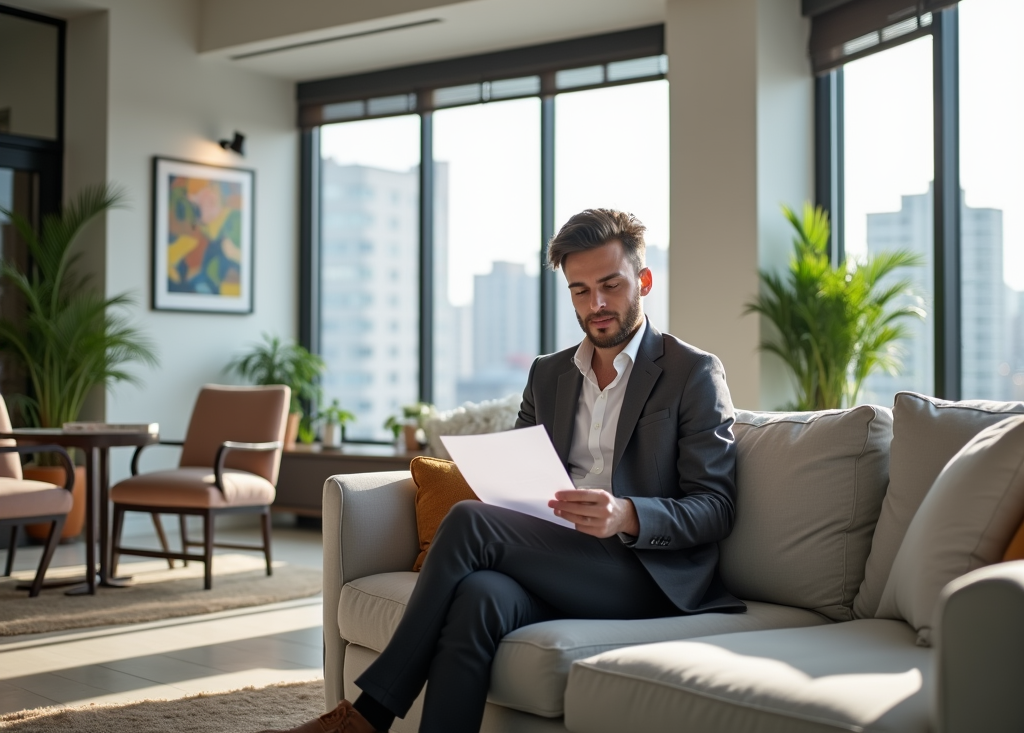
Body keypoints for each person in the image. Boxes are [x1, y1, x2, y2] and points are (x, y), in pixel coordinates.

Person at [259, 208, 744, 733]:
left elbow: (715, 507)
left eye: (611, 285)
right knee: (478, 597)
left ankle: (368, 714)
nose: (596, 304)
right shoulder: (549, 373)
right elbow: (518, 473)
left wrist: (626, 514)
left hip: (645, 573)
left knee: (469, 521)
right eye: (580, 290)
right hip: (556, 554)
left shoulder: (691, 372)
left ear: (643, 281)